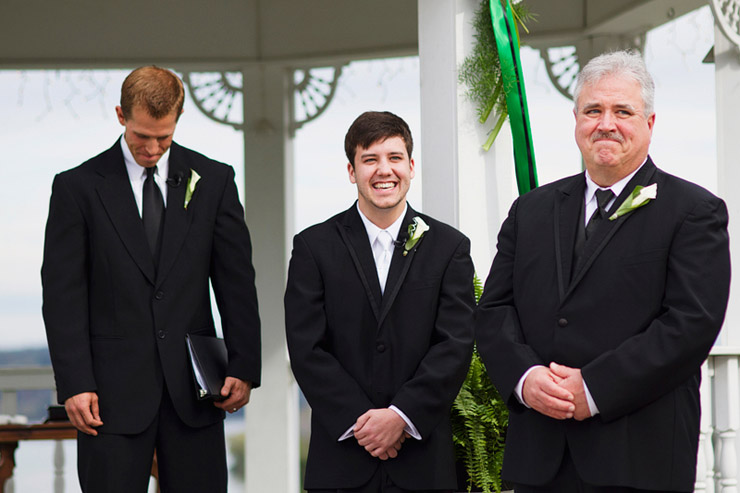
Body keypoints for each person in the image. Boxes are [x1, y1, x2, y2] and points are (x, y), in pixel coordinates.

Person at [475, 50, 731, 492]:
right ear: (576, 119)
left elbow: (689, 326)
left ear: (650, 123)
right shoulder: (530, 211)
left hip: (638, 458)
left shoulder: (693, 212)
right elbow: (494, 310)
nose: (606, 123)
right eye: (593, 110)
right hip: (541, 456)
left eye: (622, 111)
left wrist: (592, 387)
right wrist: (525, 378)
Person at [41, 65, 261, 492]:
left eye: (164, 136)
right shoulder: (77, 187)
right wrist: (75, 383)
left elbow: (236, 280)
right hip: (108, 396)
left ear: (177, 119)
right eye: (143, 136)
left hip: (195, 392)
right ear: (121, 115)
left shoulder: (215, 180)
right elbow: (63, 294)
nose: (153, 148)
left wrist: (244, 363)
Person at [285, 111, 475, 492]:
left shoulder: (449, 247)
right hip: (342, 460)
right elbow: (306, 348)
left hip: (423, 462)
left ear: (411, 165)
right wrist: (364, 423)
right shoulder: (313, 248)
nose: (383, 170)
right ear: (352, 171)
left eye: (394, 157)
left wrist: (401, 417)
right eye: (370, 159)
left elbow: (454, 344)